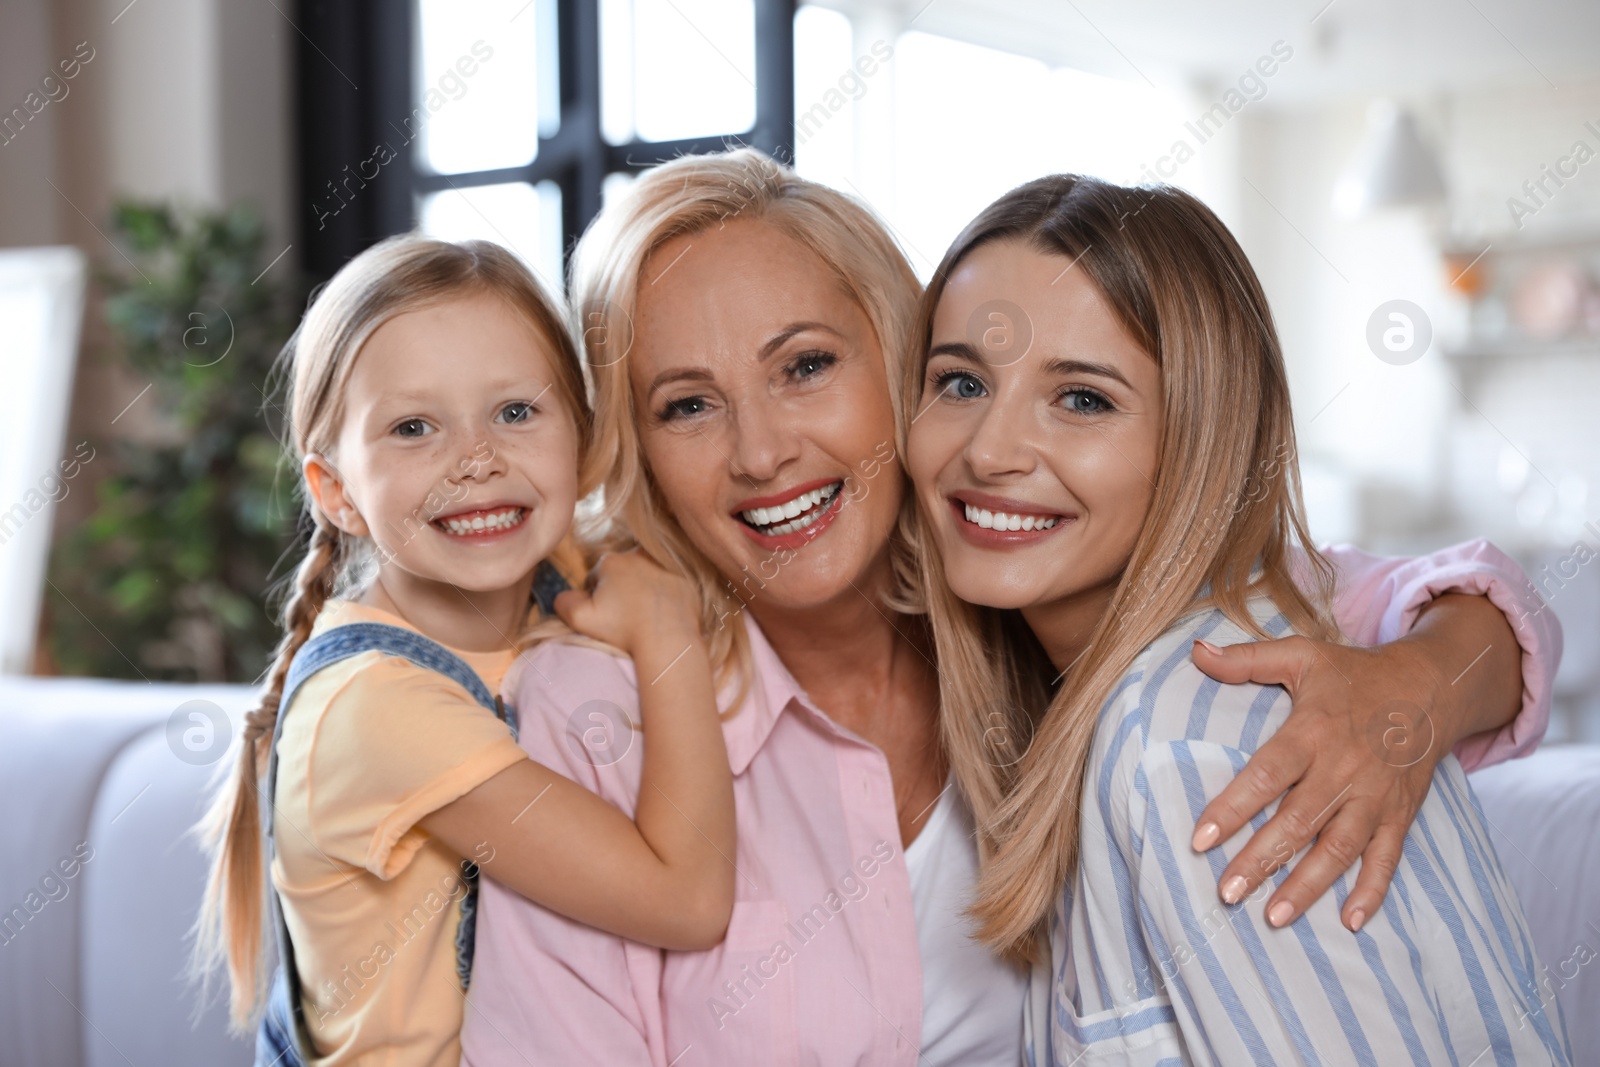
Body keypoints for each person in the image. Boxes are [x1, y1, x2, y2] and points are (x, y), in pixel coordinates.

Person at [462, 150, 1559, 1066]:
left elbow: (1461, 605)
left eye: (804, 366)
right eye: (686, 404)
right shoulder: (596, 711)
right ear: (635, 448)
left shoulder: (1046, 607)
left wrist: (1419, 678)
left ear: (896, 366)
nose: (759, 451)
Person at [908, 174, 1571, 1064]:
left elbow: (1484, 596)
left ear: (1203, 440)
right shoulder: (1118, 679)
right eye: (958, 382)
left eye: (1083, 398)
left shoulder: (1198, 746)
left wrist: (1427, 676)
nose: (987, 449)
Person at [191, 236, 735, 1066]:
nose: (478, 459)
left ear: (581, 438)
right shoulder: (378, 707)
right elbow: (687, 899)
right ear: (337, 491)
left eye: (517, 411)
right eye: (414, 428)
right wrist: (670, 641)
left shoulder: (557, 575)